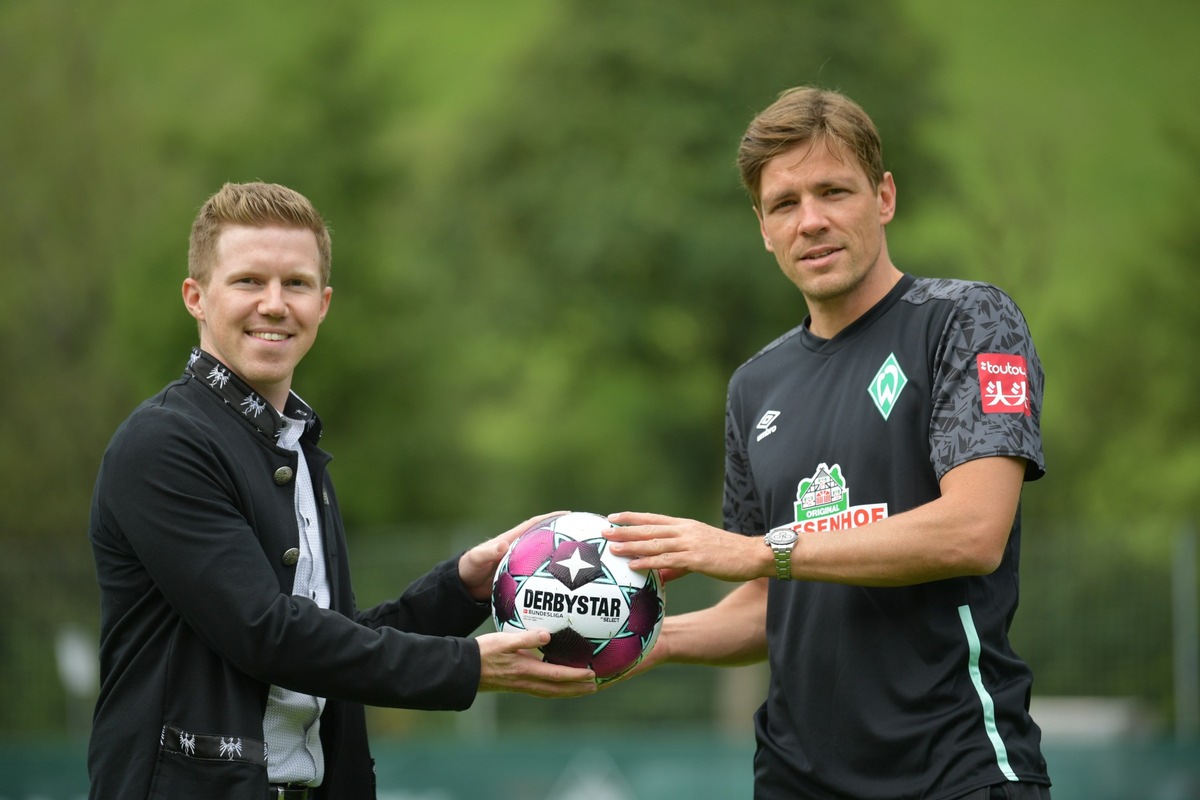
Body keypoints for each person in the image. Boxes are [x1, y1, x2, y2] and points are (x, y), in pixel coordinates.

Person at [603, 87, 1052, 799]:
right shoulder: (755, 385)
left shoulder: (969, 322)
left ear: (884, 197)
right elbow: (766, 606)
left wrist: (761, 551)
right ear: (762, 227)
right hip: (795, 779)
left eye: (833, 192)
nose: (810, 221)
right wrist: (628, 644)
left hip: (954, 771)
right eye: (785, 204)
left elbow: (973, 532)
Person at [87, 182, 597, 800]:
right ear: (196, 297)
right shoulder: (163, 444)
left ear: (323, 303)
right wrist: (466, 668)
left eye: (296, 284)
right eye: (249, 281)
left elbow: (331, 643)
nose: (274, 305)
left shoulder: (296, 449)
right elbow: (268, 634)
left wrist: (462, 586)